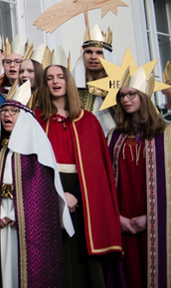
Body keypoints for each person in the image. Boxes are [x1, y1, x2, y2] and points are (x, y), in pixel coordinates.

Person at [33, 53, 121, 288]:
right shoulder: (36, 120)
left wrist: (75, 195)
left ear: (68, 82)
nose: (55, 81)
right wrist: (56, 195)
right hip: (46, 192)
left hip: (83, 195)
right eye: (49, 77)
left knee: (84, 259)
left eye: (60, 76)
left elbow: (97, 171)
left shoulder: (89, 121)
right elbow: (30, 165)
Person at [0, 81, 73, 288]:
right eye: (4, 111)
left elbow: (41, 192)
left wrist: (17, 214)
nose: (7, 115)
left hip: (22, 221)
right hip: (0, 219)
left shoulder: (36, 150)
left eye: (14, 111)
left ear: (23, 117)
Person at [107, 66, 171, 288]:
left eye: (131, 94)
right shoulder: (114, 136)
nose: (125, 99)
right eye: (122, 95)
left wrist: (152, 218)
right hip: (122, 221)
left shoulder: (167, 135)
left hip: (157, 221)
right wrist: (117, 218)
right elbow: (105, 182)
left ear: (144, 95)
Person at [74, 25, 116, 136]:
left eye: (99, 52)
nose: (93, 57)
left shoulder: (118, 85)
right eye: (89, 52)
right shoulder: (73, 87)